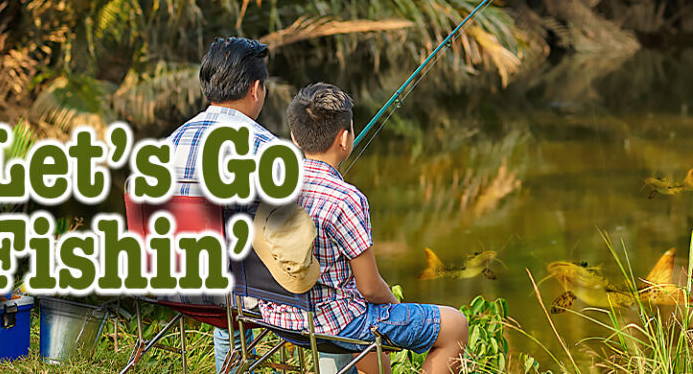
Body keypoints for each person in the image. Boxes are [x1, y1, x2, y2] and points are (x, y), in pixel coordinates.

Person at [165, 38, 352, 373]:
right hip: (239, 296)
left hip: (171, 284)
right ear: (256, 89)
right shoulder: (266, 151)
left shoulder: (167, 145)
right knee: (330, 272)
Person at [259, 83, 469, 374]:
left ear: (295, 137)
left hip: (281, 318)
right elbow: (369, 288)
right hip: (336, 324)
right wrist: (394, 306)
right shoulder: (346, 199)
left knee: (375, 350)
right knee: (455, 325)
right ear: (345, 139)